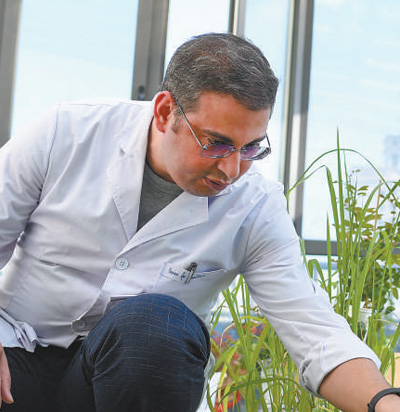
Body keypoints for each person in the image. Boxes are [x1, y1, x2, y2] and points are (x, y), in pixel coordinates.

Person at [0, 32, 398, 412]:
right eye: (217, 143)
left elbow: (313, 330)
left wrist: (383, 400)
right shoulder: (66, 133)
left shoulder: (254, 206)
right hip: (15, 357)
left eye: (250, 148)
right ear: (164, 112)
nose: (231, 169)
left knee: (155, 324)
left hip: (129, 384)